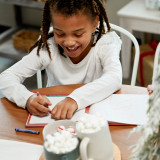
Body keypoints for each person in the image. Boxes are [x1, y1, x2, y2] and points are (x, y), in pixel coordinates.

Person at [0, 0, 122, 119]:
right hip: (55, 117)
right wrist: (27, 99)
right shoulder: (49, 48)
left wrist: (75, 99)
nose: (69, 42)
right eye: (60, 34)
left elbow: (114, 77)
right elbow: (6, 77)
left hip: (95, 116)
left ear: (95, 23)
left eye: (78, 34)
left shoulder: (105, 43)